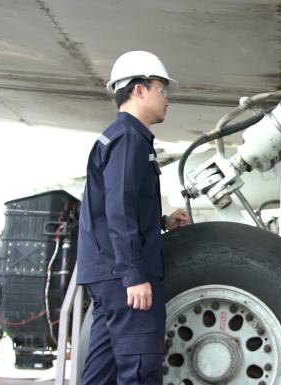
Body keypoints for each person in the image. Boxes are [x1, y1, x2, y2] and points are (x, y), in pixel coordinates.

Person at [77, 51, 190, 385]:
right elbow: (119, 208)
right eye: (162, 89)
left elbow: (121, 205)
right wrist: (133, 275)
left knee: (103, 373)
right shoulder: (128, 139)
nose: (167, 100)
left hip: (108, 275)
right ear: (139, 90)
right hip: (123, 275)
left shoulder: (121, 137)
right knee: (139, 370)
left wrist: (162, 221)